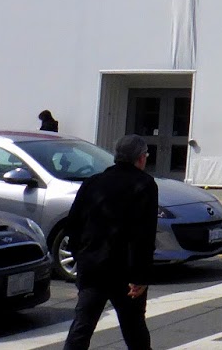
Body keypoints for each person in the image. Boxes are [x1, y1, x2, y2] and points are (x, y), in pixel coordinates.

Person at [61, 135, 158, 350]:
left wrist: (81, 257)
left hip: (93, 266)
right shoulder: (144, 184)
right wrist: (140, 276)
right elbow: (143, 235)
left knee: (82, 326)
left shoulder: (93, 182)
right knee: (134, 329)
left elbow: (73, 224)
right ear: (141, 158)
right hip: (125, 271)